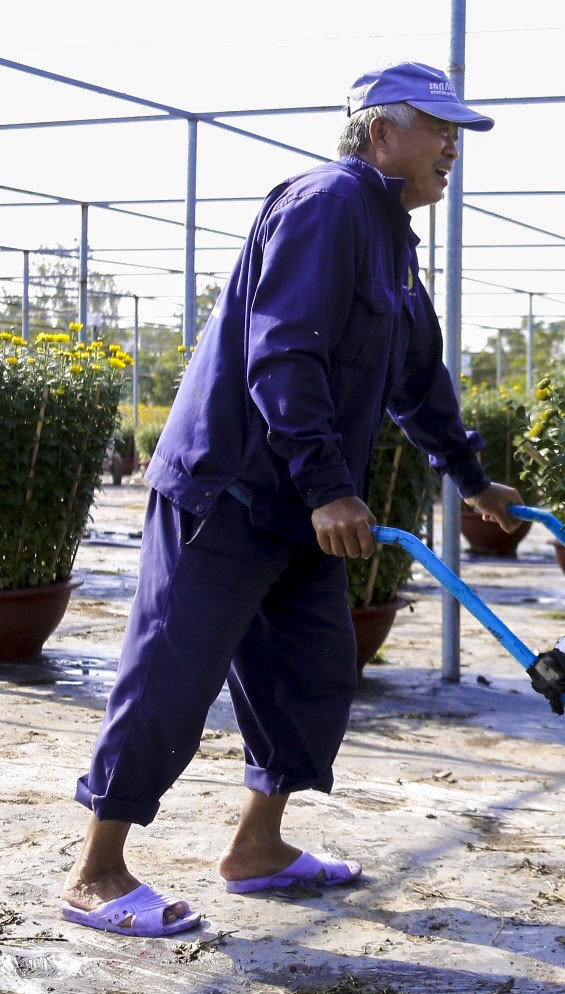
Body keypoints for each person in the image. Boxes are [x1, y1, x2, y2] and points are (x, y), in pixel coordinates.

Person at [60, 62, 524, 936]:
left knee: (310, 679)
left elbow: (415, 378)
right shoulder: (328, 203)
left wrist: (471, 479)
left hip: (299, 506)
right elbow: (284, 351)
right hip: (229, 489)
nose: (453, 146)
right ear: (382, 133)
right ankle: (97, 870)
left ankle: (256, 850)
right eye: (440, 127)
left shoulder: (392, 238)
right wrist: (327, 485)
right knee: (173, 675)